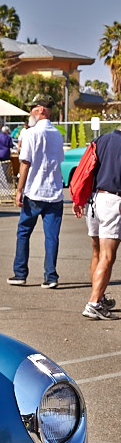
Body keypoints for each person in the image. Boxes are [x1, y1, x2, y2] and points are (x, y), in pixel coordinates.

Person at [8, 97, 65, 289]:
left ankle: (20, 273)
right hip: (54, 191)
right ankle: (51, 276)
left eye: (32, 109)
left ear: (41, 110)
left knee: (23, 232)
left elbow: (25, 163)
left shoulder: (31, 134)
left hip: (34, 191)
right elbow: (59, 160)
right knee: (52, 237)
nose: (30, 113)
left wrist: (19, 190)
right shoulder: (57, 134)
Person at [76, 125, 121, 319]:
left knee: (97, 252)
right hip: (113, 200)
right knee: (107, 256)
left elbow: (87, 168)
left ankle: (99, 297)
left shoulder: (102, 139)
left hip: (94, 199)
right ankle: (94, 303)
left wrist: (79, 197)